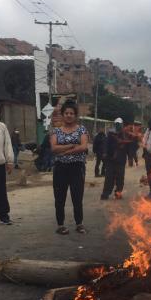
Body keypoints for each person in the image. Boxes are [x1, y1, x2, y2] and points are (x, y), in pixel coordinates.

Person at [50, 100, 89, 235]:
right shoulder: (56, 131)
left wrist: (66, 152)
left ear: (75, 115)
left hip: (77, 168)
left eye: (71, 113)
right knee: (59, 197)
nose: (69, 115)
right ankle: (60, 225)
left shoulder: (82, 129)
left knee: (77, 197)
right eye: (66, 113)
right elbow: (54, 148)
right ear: (62, 115)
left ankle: (79, 224)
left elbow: (84, 147)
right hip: (60, 168)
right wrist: (72, 146)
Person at [101, 117, 132, 200]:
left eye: (119, 124)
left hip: (121, 160)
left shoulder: (125, 134)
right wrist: (104, 153)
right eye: (117, 124)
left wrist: (130, 158)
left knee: (120, 177)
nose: (118, 126)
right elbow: (106, 144)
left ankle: (118, 193)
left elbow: (128, 147)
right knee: (109, 177)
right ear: (115, 124)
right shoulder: (110, 134)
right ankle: (105, 193)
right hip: (110, 159)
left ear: (122, 125)